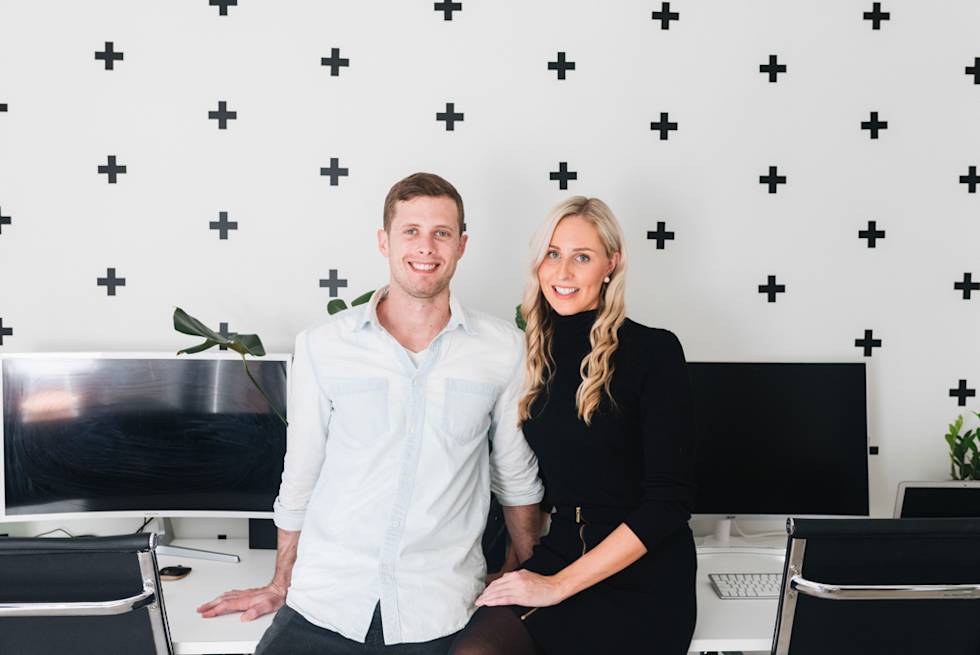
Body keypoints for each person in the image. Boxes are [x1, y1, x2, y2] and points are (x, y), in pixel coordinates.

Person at [196, 172, 545, 654]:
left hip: (438, 608)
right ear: (384, 241)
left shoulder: (504, 349)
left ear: (461, 245)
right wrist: (281, 581)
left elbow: (516, 476)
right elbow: (301, 473)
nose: (426, 247)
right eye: (411, 231)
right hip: (325, 601)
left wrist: (527, 572)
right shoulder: (322, 346)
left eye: (442, 233)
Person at [449, 197, 698, 655]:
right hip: (561, 548)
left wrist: (557, 586)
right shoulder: (531, 355)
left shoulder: (655, 352)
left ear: (611, 263)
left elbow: (668, 504)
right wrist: (515, 566)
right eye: (552, 254)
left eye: (581, 257)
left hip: (643, 571)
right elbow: (535, 476)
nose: (562, 272)